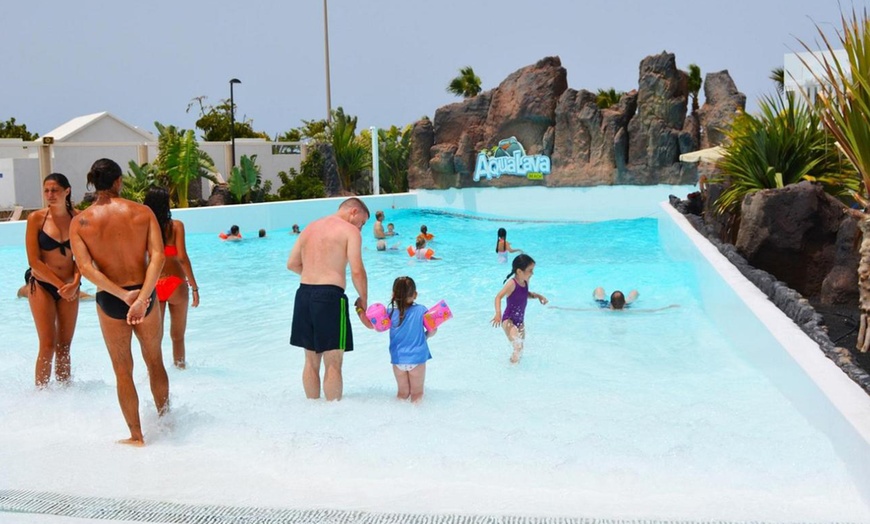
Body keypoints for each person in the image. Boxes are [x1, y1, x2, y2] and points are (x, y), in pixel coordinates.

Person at [69, 158, 169, 446]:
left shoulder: (81, 222)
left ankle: (137, 436)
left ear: (93, 183)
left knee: (122, 370)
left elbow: (87, 270)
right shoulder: (142, 212)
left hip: (112, 300)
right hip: (145, 295)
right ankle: (166, 422)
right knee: (155, 361)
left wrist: (123, 296)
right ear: (118, 181)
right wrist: (142, 296)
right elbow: (158, 257)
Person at [287, 197, 371, 401]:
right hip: (330, 298)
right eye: (362, 222)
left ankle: (313, 412)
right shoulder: (349, 231)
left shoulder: (310, 228)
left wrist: (316, 275)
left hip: (304, 295)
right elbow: (357, 271)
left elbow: (292, 264)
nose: (361, 228)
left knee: (310, 360)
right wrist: (363, 300)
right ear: (353, 212)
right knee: (333, 361)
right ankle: (334, 419)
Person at [24, 173, 81, 388]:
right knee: (47, 344)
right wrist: (61, 286)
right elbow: (34, 261)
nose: (50, 194)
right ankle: (41, 396)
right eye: (46, 190)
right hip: (42, 285)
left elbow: (83, 258)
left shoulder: (78, 218)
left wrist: (75, 283)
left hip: (71, 286)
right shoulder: (36, 219)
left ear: (67, 191)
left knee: (64, 346)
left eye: (55, 190)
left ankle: (65, 394)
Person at [143, 187, 200, 369]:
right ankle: (180, 369)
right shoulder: (176, 226)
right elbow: (182, 257)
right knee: (178, 336)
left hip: (154, 284)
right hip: (176, 284)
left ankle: (155, 373)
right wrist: (194, 286)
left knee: (154, 338)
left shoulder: (144, 228)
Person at [359, 276, 435, 402]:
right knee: (417, 394)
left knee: (402, 394)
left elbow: (372, 326)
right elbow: (433, 330)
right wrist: (425, 336)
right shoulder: (421, 310)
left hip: (398, 361)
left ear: (393, 295)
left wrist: (359, 309)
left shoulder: (388, 313)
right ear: (415, 295)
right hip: (416, 359)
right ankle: (418, 420)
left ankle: (398, 419)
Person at [491, 254, 548, 364]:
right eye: (530, 270)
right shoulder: (512, 283)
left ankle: (515, 370)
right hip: (509, 320)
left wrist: (537, 296)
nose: (532, 273)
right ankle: (511, 371)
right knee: (518, 347)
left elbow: (524, 294)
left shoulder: (525, 282)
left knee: (520, 350)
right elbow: (498, 297)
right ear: (519, 271)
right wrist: (498, 314)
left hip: (520, 321)